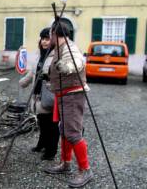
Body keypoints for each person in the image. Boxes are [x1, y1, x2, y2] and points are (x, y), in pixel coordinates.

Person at [44, 22, 93, 188]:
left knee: (72, 133)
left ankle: (85, 170)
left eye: (50, 34)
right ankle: (66, 163)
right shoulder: (59, 48)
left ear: (54, 34)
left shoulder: (69, 47)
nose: (49, 38)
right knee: (64, 131)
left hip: (72, 95)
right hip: (64, 95)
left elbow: (78, 61)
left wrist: (67, 67)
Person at [19, 27, 59, 160]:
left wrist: (48, 77)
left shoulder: (56, 55)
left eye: (47, 39)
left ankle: (51, 151)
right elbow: (33, 71)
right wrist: (23, 82)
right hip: (38, 94)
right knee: (42, 122)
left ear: (53, 40)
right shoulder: (40, 54)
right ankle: (41, 144)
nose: (44, 42)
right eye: (42, 39)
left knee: (51, 125)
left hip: (49, 95)